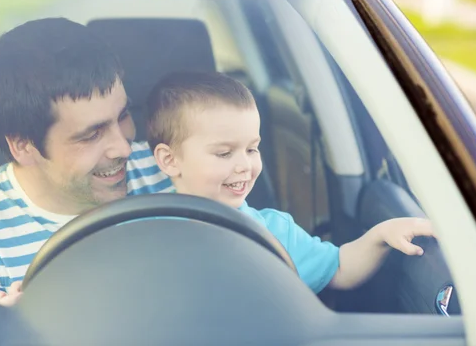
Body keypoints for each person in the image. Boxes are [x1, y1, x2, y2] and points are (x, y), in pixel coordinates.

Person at [0, 18, 173, 305]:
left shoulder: (172, 168)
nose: (123, 148)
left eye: (123, 116)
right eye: (92, 135)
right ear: (23, 146)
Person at [147, 71, 435, 293]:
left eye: (252, 149)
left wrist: (380, 235)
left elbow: (340, 268)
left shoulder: (274, 231)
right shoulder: (136, 231)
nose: (245, 165)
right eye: (224, 153)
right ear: (170, 160)